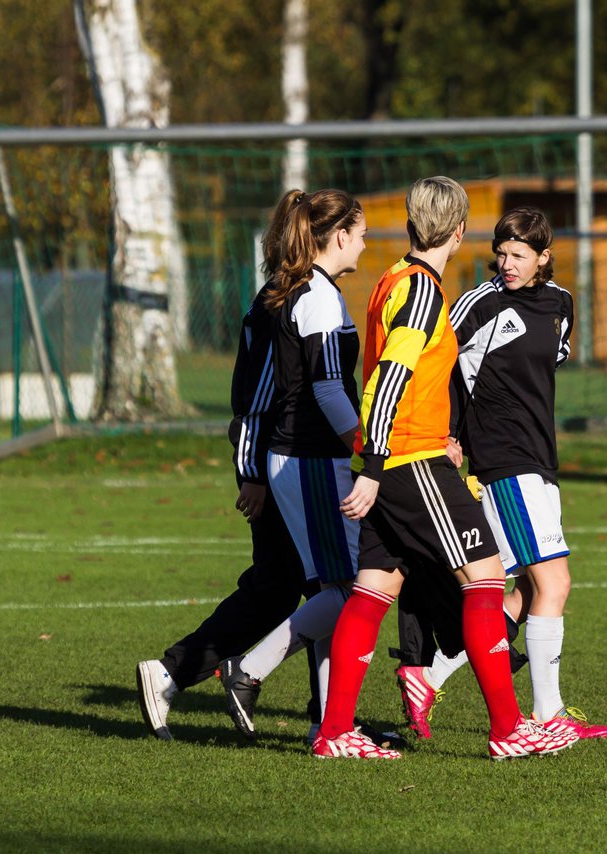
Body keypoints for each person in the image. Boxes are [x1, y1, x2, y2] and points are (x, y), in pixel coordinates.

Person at [310, 177, 580, 760]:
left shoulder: (391, 280)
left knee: (372, 589)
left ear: (412, 224)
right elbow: (390, 378)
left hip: (394, 458)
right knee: (486, 579)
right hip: (411, 458)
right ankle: (510, 729)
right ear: (459, 231)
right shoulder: (426, 292)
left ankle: (334, 732)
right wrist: (375, 465)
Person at [392, 207, 607, 742]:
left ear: (543, 257)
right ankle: (548, 714)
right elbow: (435, 365)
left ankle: (429, 675)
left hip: (540, 456)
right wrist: (448, 434)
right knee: (554, 581)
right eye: (500, 252)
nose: (506, 263)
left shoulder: (560, 303)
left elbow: (543, 369)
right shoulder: (479, 302)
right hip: (502, 457)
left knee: (517, 592)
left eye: (518, 254)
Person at [134, 192, 328, 742]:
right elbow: (253, 400)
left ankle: (325, 717)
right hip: (279, 468)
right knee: (307, 588)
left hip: (289, 465)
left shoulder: (295, 296)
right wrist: (252, 474)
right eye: (351, 232)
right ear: (321, 240)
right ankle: (176, 673)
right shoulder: (280, 303)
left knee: (292, 588)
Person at [213, 188, 371, 742]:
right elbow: (327, 389)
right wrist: (366, 444)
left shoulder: (311, 290)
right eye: (363, 231)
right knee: (353, 589)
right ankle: (248, 669)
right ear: (340, 235)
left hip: (299, 456)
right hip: (309, 457)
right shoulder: (319, 298)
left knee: (334, 586)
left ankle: (330, 726)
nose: (366, 242)